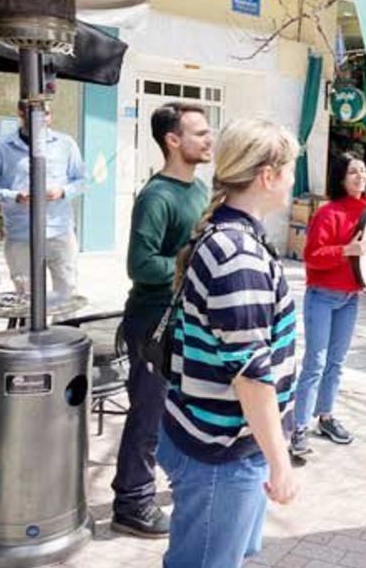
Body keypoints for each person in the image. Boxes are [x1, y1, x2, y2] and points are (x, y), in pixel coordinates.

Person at [157, 119, 298, 567]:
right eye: (290, 169)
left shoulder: (228, 234)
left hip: (212, 440)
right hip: (221, 454)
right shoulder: (239, 255)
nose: (294, 180)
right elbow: (251, 374)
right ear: (267, 176)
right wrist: (280, 462)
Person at [111, 102, 213, 538]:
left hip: (184, 321)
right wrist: (190, 263)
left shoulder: (200, 188)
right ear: (173, 140)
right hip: (152, 323)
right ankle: (131, 502)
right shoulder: (156, 196)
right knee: (148, 416)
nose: (210, 139)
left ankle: (169, 483)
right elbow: (140, 265)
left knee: (178, 412)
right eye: (200, 133)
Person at [289, 152, 366, 456]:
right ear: (341, 177)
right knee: (315, 363)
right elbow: (311, 257)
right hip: (322, 296)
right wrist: (347, 250)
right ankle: (298, 427)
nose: (360, 177)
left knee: (336, 364)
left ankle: (325, 416)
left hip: (350, 298)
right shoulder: (328, 213)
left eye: (363, 171)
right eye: (353, 172)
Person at [0, 101, 86, 297]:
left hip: (59, 232)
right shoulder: (0, 147)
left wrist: (63, 191)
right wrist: (15, 196)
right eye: (38, 113)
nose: (44, 118)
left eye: (47, 113)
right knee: (26, 298)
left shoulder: (66, 144)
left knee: (66, 293)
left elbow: (82, 180)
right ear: (21, 113)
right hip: (21, 234)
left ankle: (64, 328)